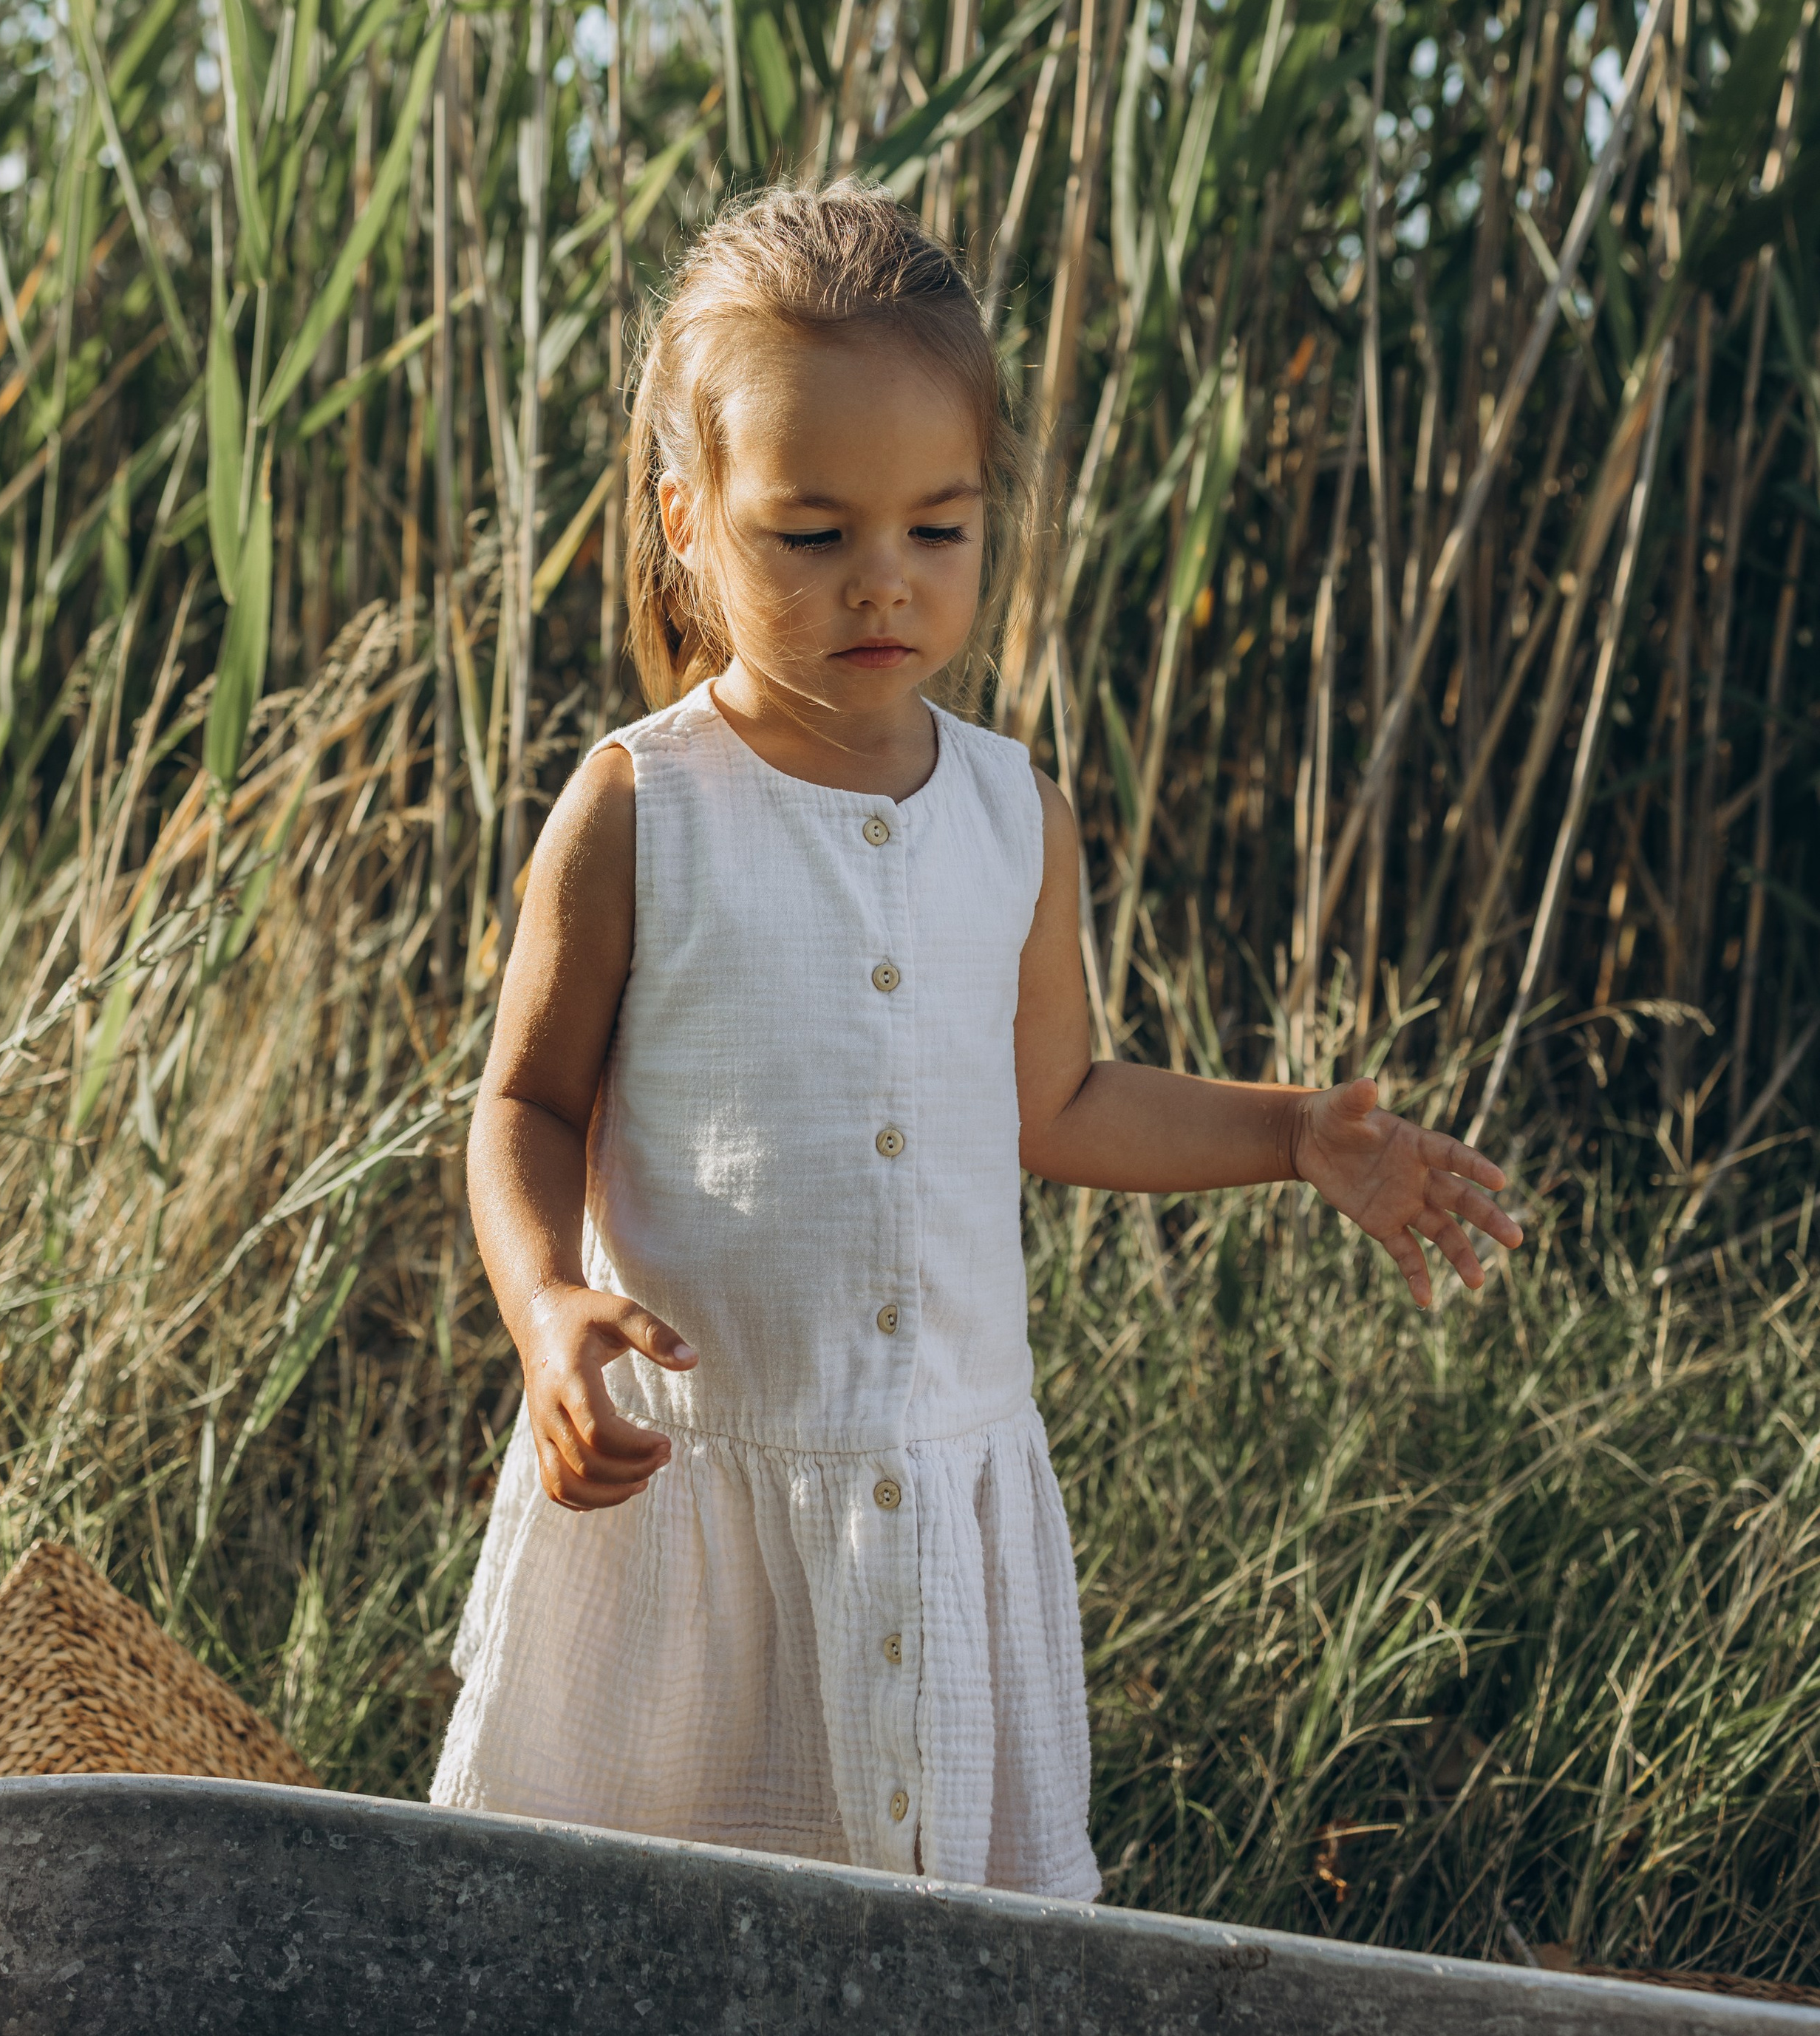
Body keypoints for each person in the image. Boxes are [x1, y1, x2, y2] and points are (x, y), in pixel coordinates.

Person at [430, 182, 1521, 1899]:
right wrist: (545, 1307)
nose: (883, 581)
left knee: (927, 1962)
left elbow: (1061, 1102)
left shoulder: (1012, 811)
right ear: (683, 522)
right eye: (810, 536)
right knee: (620, 1940)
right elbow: (523, 1103)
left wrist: (1291, 1133)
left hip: (933, 1494)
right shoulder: (647, 803)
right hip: (689, 1490)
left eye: (936, 530)